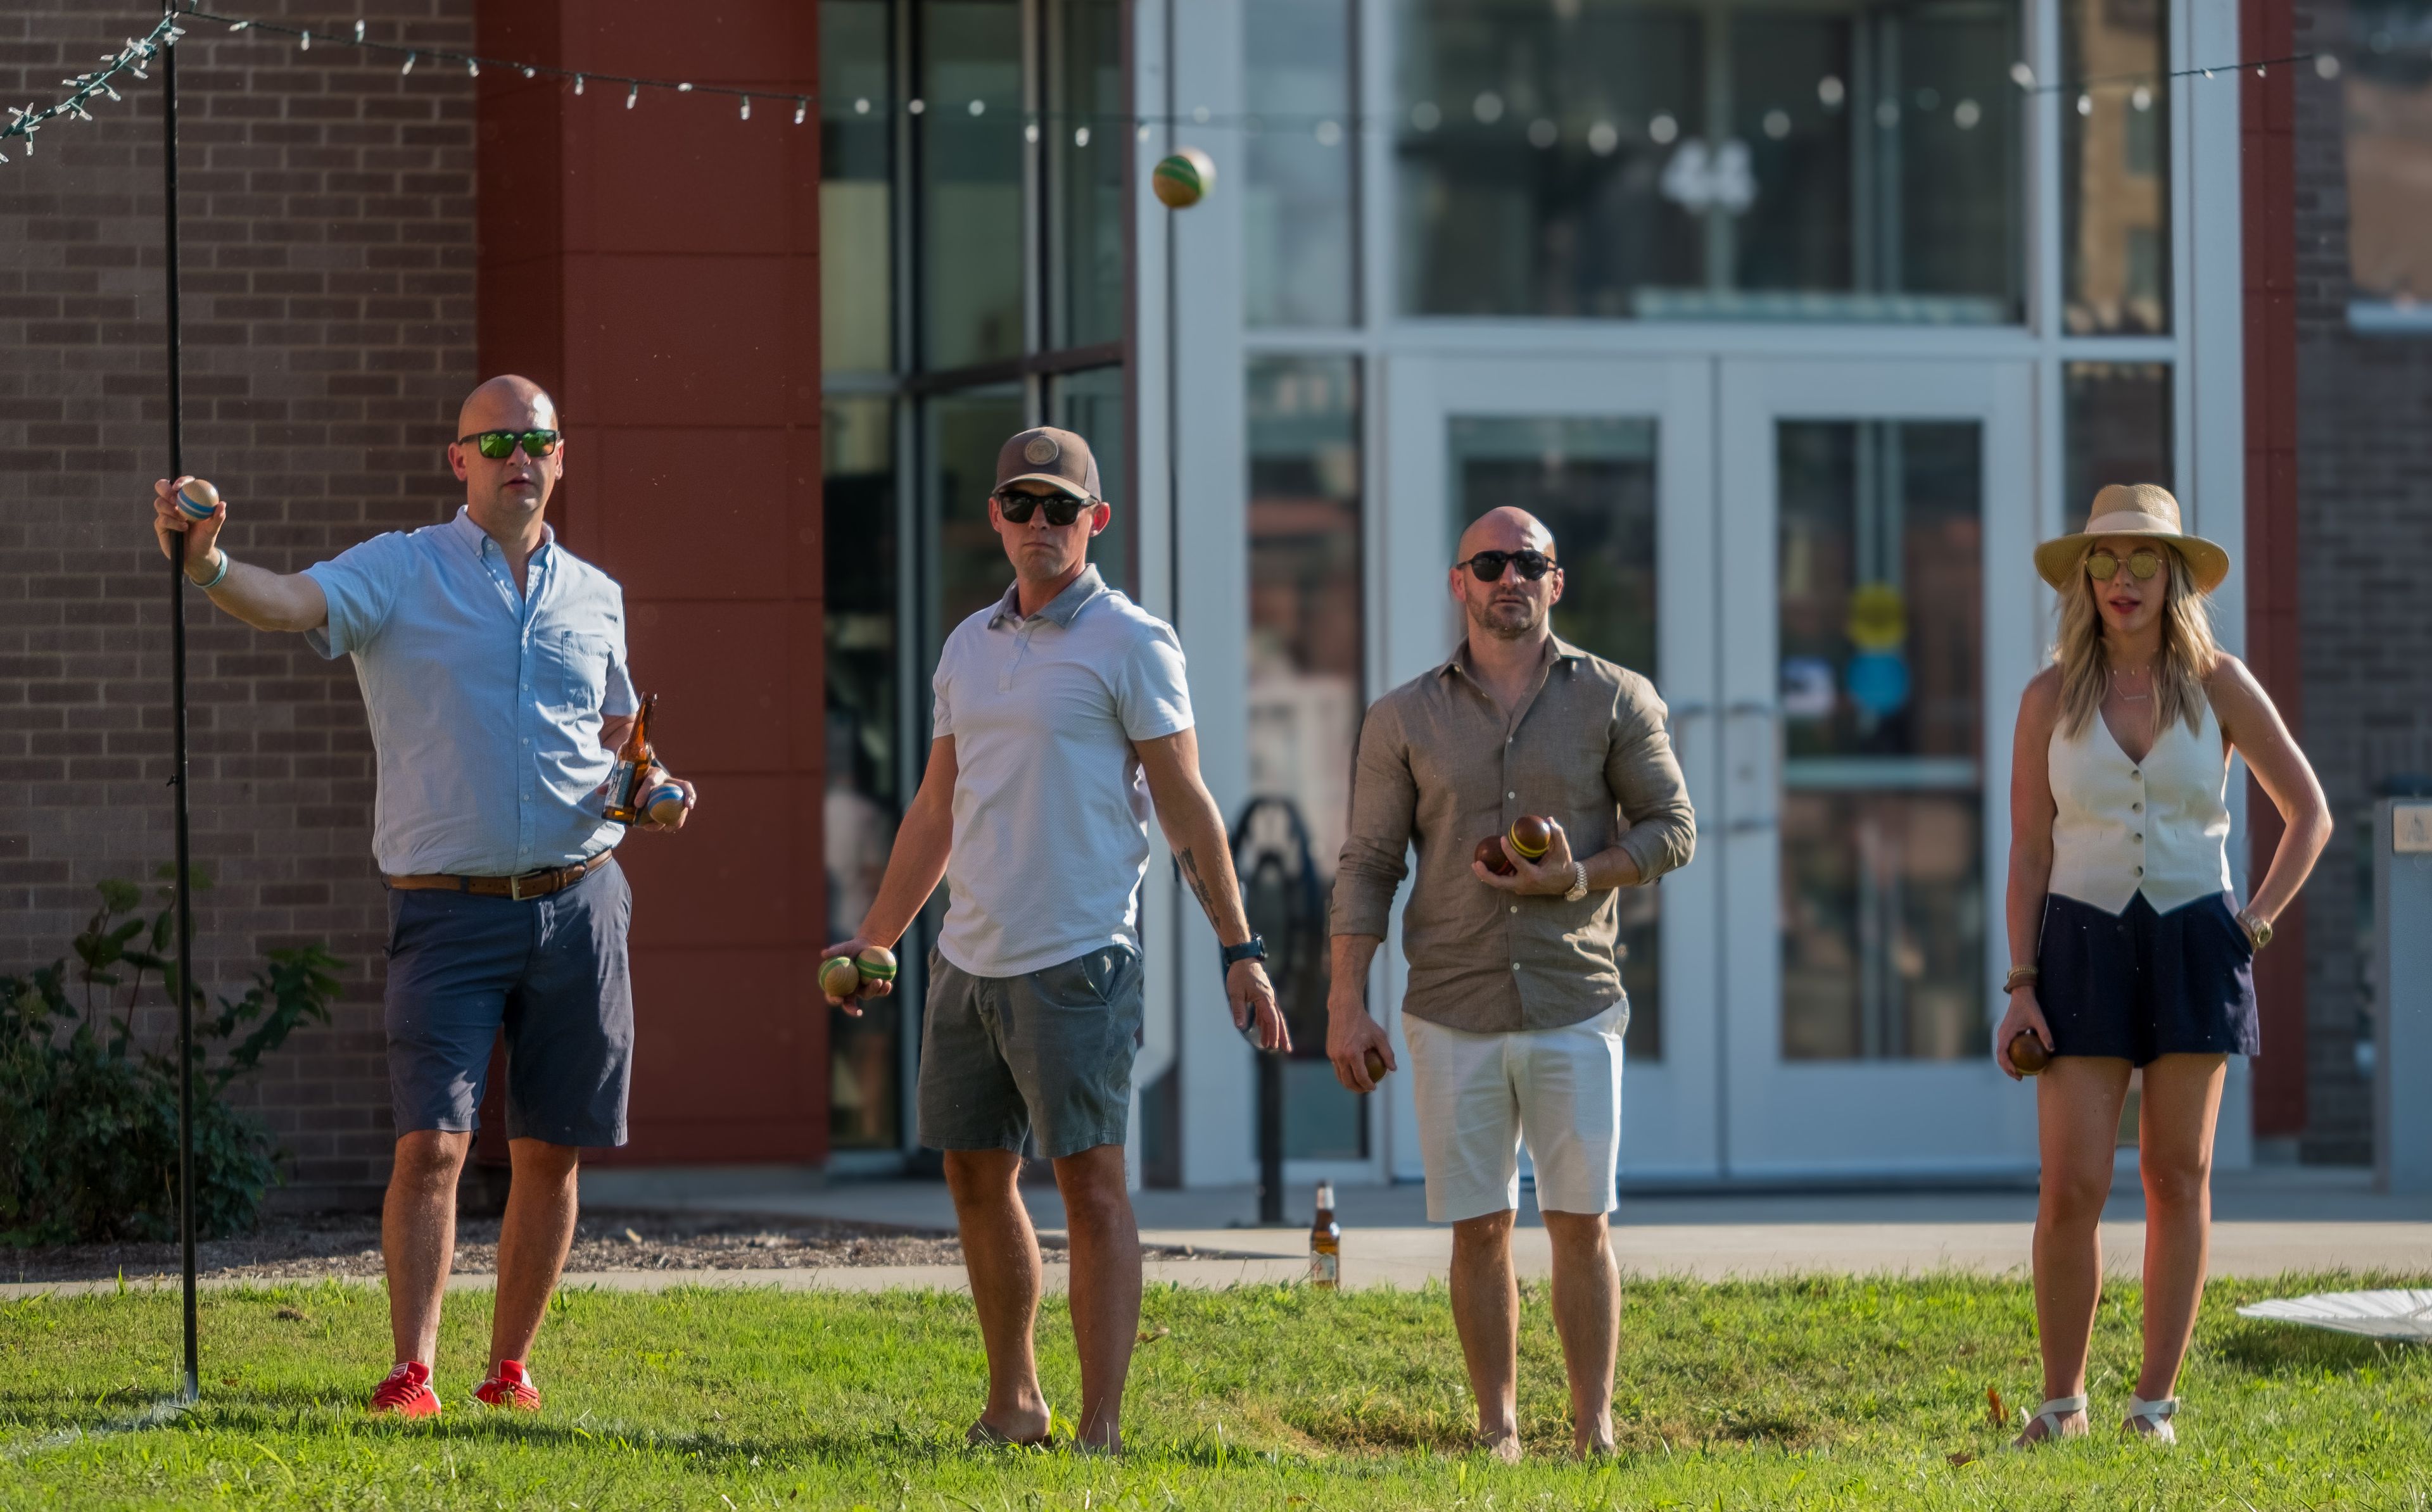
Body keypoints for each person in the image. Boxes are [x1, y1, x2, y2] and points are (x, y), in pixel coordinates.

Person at [147, 375, 695, 1418]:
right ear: (460, 461)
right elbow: (289, 602)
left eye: (536, 440)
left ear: (561, 458)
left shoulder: (595, 592)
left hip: (583, 900)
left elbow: (619, 737)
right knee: (434, 1144)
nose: (517, 458)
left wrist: (653, 786)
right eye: (495, 443)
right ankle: (414, 1369)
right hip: (447, 908)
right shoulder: (400, 571)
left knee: (551, 1147)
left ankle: (511, 1369)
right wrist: (208, 561)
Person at [821, 426, 1285, 1456]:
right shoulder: (966, 646)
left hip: (1078, 959)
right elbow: (936, 809)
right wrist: (875, 937)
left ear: (1095, 522)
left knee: (1091, 1187)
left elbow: (1187, 805)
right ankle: (1015, 1403)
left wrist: (1238, 948)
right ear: (995, 517)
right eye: (1022, 504)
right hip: (967, 960)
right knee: (976, 1179)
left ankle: (1104, 1427)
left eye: (1061, 508)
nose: (1041, 523)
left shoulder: (1132, 642)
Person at [1325, 507, 1695, 1460]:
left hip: (1576, 993)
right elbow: (1368, 862)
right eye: (1488, 563)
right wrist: (1344, 1001)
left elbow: (1672, 828)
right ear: (1459, 583)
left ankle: (1593, 1425)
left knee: (1583, 1224)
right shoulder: (1403, 716)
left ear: (1555, 582)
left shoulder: (1615, 696)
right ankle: (1498, 1427)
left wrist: (1577, 876)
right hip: (1452, 1001)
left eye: (1528, 562)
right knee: (1479, 1229)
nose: (1508, 578)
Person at [1998, 484, 2328, 1447]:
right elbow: (2028, 850)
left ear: (2175, 574)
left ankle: (2155, 1407)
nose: (2123, 579)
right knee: (2072, 1187)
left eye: (2145, 561)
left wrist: (2254, 923)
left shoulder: (2220, 681)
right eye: (2105, 560)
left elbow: (2309, 811)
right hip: (2079, 942)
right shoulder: (2048, 695)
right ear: (2084, 576)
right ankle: (2062, 1404)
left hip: (2195, 938)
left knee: (2178, 1178)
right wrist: (2021, 985)